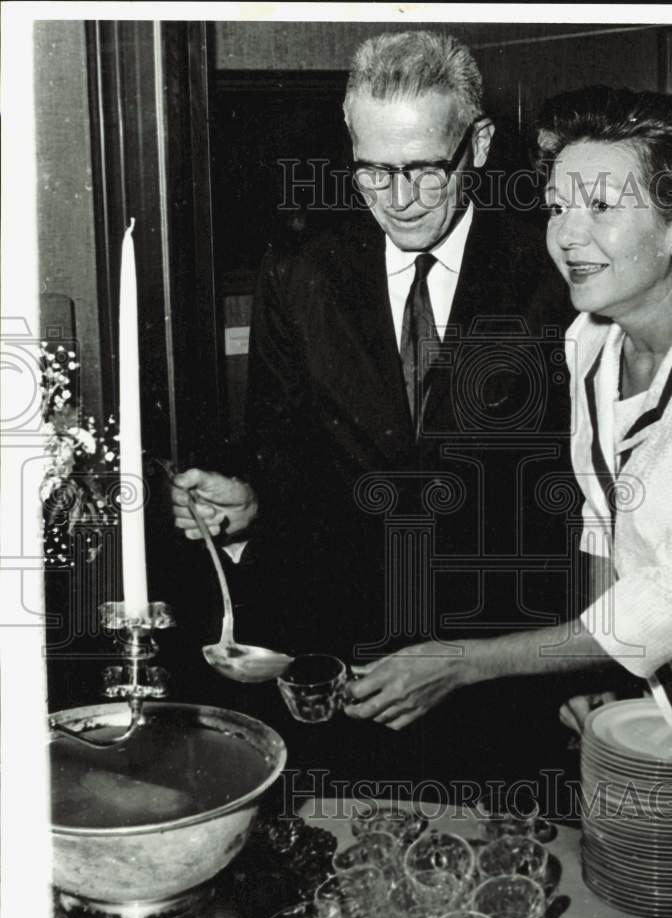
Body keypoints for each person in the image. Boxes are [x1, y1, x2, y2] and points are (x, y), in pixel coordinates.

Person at [347, 86, 672, 903]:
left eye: (603, 207)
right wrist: (599, 680)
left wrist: (468, 662)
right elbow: (598, 519)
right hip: (643, 712)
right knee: (643, 917)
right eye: (556, 206)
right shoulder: (593, 340)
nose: (567, 236)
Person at [171, 32, 577, 795]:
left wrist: (478, 659)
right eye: (372, 169)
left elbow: (580, 497)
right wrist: (247, 505)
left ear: (479, 145)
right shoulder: (302, 267)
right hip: (348, 661)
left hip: (500, 671)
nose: (397, 197)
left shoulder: (553, 271)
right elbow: (281, 451)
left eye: (425, 167)